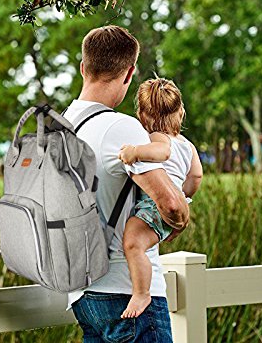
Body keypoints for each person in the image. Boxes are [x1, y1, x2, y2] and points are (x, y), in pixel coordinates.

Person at [64, 25, 189, 342]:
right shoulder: (120, 127)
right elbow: (172, 204)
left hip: (83, 295)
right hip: (126, 294)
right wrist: (179, 220)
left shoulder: (61, 128)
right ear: (130, 73)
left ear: (83, 67)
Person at [117, 78, 203, 318]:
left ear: (142, 114)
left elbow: (162, 151)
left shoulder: (157, 137)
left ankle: (142, 293)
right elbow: (196, 176)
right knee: (140, 244)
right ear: (180, 112)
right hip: (175, 202)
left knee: (133, 244)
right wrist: (185, 196)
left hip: (153, 205)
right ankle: (142, 290)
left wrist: (135, 152)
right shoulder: (187, 145)